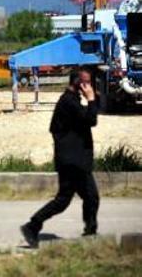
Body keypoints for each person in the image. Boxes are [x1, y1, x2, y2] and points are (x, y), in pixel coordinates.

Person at [20, 67, 100, 247]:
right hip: (73, 161)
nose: (89, 86)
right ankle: (32, 226)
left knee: (88, 197)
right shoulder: (69, 103)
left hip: (74, 160)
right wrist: (92, 99)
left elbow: (88, 116)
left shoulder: (71, 101)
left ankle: (90, 230)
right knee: (68, 199)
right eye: (86, 82)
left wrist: (94, 98)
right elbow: (91, 120)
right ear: (78, 83)